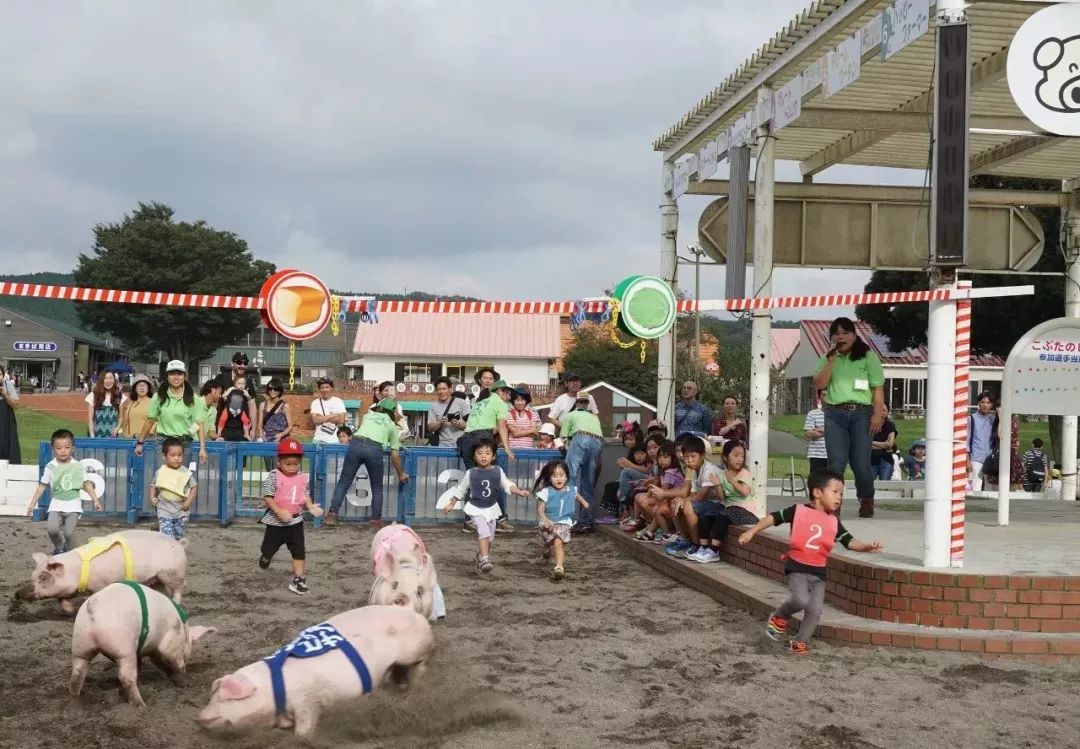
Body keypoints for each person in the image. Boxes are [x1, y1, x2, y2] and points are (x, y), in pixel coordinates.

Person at [739, 468, 884, 654]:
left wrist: (866, 547)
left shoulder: (834, 521)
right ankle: (779, 616)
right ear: (817, 492)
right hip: (797, 568)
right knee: (800, 599)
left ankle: (800, 642)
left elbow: (849, 541)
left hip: (819, 573)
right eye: (835, 492)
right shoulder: (798, 511)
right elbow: (772, 518)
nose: (839, 497)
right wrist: (751, 531)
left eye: (841, 494)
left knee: (815, 611)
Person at [813, 317, 885, 518]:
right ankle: (833, 503)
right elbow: (820, 384)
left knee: (860, 462)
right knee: (836, 462)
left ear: (854, 335)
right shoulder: (828, 357)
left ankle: (867, 498)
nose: (841, 337)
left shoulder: (868, 357)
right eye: (836, 333)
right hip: (835, 414)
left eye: (845, 333)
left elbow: (878, 389)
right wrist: (830, 361)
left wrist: (877, 415)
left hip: (862, 413)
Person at [444, 437, 529, 574]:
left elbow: (507, 485)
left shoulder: (498, 471)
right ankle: (485, 559)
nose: (483, 456)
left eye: (487, 453)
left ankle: (480, 556)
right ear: (474, 456)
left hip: (491, 508)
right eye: (480, 453)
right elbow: (461, 489)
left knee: (489, 538)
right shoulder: (471, 473)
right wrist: (452, 503)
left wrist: (519, 491)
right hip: (475, 508)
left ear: (493, 456)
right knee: (483, 531)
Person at [325, 398, 409, 528]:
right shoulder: (392, 426)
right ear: (393, 412)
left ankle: (332, 514)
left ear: (379, 408)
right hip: (374, 449)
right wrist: (401, 474)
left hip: (356, 444)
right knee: (377, 487)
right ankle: (375, 520)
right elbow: (395, 455)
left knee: (344, 482)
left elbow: (366, 431)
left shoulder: (367, 416)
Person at [258, 438, 323, 595]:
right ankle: (266, 556)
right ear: (279, 462)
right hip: (275, 523)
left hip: (295, 522)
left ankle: (299, 579)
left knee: (299, 551)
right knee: (268, 548)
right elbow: (267, 497)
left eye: (296, 464)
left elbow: (304, 494)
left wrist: (310, 506)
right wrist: (279, 511)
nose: (292, 468)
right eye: (288, 464)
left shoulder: (302, 477)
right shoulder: (274, 476)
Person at [24, 429, 102, 554]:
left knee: (69, 533)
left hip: (73, 506)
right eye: (59, 448)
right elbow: (42, 485)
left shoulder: (78, 466)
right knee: (52, 530)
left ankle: (72, 555)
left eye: (67, 447)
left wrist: (95, 500)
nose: (63, 450)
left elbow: (87, 484)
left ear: (73, 448)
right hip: (56, 505)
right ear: (53, 449)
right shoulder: (50, 467)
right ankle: (60, 547)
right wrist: (32, 504)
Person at [458, 379, 517, 533]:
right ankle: (500, 519)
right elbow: (502, 426)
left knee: (473, 479)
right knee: (495, 477)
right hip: (482, 437)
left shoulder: (480, 402)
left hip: (466, 440)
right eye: (507, 392)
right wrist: (507, 448)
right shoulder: (500, 403)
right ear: (499, 392)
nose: (509, 395)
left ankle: (469, 521)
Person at [690, 440, 759, 564]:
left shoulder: (745, 473)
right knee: (706, 516)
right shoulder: (721, 474)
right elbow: (722, 497)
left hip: (746, 511)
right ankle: (703, 548)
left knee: (723, 516)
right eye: (736, 455)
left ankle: (714, 550)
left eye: (742, 456)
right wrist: (718, 485)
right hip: (729, 508)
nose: (740, 459)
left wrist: (731, 480)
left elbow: (745, 492)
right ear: (725, 457)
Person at [655, 435, 721, 559]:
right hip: (705, 503)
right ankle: (685, 539)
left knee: (687, 505)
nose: (689, 460)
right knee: (676, 503)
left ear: (702, 456)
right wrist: (681, 500)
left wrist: (684, 501)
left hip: (718, 504)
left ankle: (696, 544)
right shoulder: (693, 469)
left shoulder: (709, 470)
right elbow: (693, 494)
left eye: (692, 456)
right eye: (686, 457)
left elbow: (700, 497)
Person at [134, 361, 208, 466]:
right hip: (163, 443)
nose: (176, 377)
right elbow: (150, 421)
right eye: (172, 374)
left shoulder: (193, 398)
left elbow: (199, 423)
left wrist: (202, 448)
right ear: (167, 376)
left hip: (184, 444)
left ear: (184, 376)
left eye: (179, 374)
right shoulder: (158, 396)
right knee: (163, 475)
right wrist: (140, 442)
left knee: (181, 475)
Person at [533, 459, 589, 581]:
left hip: (564, 522)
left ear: (566, 477)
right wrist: (545, 519)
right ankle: (546, 553)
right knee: (546, 545)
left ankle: (559, 567)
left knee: (558, 542)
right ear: (549, 478)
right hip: (549, 523)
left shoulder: (571, 490)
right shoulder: (546, 492)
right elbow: (540, 510)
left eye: (561, 475)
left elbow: (577, 496)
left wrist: (584, 503)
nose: (558, 478)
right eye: (554, 476)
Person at [559, 392, 605, 532]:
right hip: (598, 442)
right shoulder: (594, 417)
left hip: (581, 438)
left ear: (576, 403)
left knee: (569, 478)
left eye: (583, 402)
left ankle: (569, 520)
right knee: (588, 484)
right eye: (583, 402)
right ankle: (586, 522)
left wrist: (566, 447)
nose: (583, 404)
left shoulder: (570, 415)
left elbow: (563, 438)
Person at [633, 440, 683, 544]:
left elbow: (663, 492)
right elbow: (658, 489)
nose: (662, 460)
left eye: (666, 457)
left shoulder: (670, 472)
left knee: (656, 509)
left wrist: (658, 504)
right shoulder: (666, 471)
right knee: (644, 500)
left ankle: (661, 532)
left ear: (672, 458)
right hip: (668, 499)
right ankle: (657, 532)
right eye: (660, 457)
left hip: (673, 499)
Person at [150, 437, 197, 542]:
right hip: (164, 509)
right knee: (167, 537)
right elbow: (153, 486)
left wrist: (189, 501)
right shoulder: (160, 472)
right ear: (164, 456)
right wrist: (152, 497)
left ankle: (177, 550)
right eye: (173, 455)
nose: (177, 458)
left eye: (180, 455)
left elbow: (194, 487)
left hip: (181, 511)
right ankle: (168, 550)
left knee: (178, 537)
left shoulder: (186, 473)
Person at [426, 376, 470, 448]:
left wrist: (460, 424)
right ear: (436, 391)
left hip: (461, 443)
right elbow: (430, 427)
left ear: (450, 389)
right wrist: (440, 422)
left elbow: (471, 425)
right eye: (439, 389)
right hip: (442, 444)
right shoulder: (433, 406)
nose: (442, 392)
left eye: (444, 388)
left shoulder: (461, 403)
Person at [968, 391, 996, 491]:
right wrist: (967, 460)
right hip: (976, 457)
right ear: (979, 403)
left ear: (991, 404)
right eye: (982, 402)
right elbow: (967, 440)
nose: (985, 405)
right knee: (976, 485)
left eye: (988, 402)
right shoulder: (971, 419)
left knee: (990, 486)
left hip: (990, 457)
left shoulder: (993, 419)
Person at [86, 370, 125, 438]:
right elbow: (90, 419)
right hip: (96, 436)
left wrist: (118, 428)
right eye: (106, 378)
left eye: (111, 378)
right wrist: (92, 437)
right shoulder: (93, 395)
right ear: (101, 380)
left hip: (112, 437)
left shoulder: (119, 396)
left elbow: (121, 417)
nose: (108, 381)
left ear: (114, 380)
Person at [310, 377, 348, 445]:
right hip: (318, 440)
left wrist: (321, 417)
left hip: (334, 440)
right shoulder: (315, 402)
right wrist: (332, 415)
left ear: (331, 388)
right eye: (322, 387)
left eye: (327, 387)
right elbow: (315, 420)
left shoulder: (338, 401)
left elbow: (341, 420)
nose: (324, 390)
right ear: (319, 389)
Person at [217, 375, 254, 442]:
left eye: (243, 384)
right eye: (239, 383)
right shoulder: (231, 389)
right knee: (222, 419)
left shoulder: (244, 391)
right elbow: (224, 396)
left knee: (245, 420)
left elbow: (249, 398)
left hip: (240, 409)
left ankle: (246, 434)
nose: (241, 385)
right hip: (229, 408)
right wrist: (226, 394)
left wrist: (247, 395)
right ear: (235, 384)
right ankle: (219, 433)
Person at [258, 378, 293, 445]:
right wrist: (262, 437)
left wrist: (281, 435)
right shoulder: (262, 405)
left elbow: (290, 426)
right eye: (270, 388)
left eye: (276, 389)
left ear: (280, 390)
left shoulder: (285, 406)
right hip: (266, 438)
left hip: (281, 439)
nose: (272, 391)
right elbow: (259, 425)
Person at [119, 374, 155, 439]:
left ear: (148, 388)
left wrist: (148, 433)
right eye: (139, 385)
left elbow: (155, 422)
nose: (142, 388)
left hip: (145, 439)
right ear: (135, 389)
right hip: (128, 439)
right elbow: (121, 414)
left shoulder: (153, 402)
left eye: (144, 385)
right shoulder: (130, 402)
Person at [870, 404, 898, 481]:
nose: (881, 412)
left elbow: (889, 444)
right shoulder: (866, 425)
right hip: (870, 460)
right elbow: (864, 445)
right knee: (868, 484)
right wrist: (884, 446)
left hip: (886, 460)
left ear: (887, 412)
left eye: (884, 410)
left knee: (885, 484)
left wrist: (871, 442)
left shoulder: (890, 425)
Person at [0, 365, 20, 464]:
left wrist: (5, 395)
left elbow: (15, 405)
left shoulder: (8, 385)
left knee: (7, 447)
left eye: (0, 374)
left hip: (6, 423)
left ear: (3, 376)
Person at [803, 395, 827, 471]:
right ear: (820, 398)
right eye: (824, 395)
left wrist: (819, 429)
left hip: (834, 455)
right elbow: (809, 434)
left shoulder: (838, 414)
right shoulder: (812, 414)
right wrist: (830, 431)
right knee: (816, 478)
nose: (826, 397)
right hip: (816, 455)